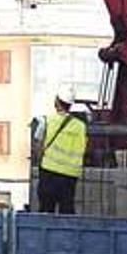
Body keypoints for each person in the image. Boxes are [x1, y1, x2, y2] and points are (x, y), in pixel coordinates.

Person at [36, 86, 87, 214]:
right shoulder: (81, 127)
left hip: (48, 172)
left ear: (56, 101)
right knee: (67, 211)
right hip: (70, 176)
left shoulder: (46, 121)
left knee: (46, 211)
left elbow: (37, 145)